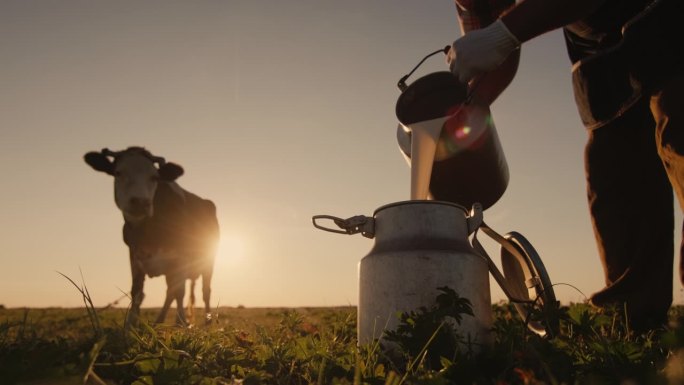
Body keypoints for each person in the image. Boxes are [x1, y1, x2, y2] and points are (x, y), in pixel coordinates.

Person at [447, 0, 684, 331]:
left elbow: (504, 36)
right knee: (617, 175)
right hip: (604, 56)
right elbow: (499, 50)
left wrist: (503, 33)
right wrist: (474, 101)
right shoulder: (470, 3)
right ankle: (633, 323)